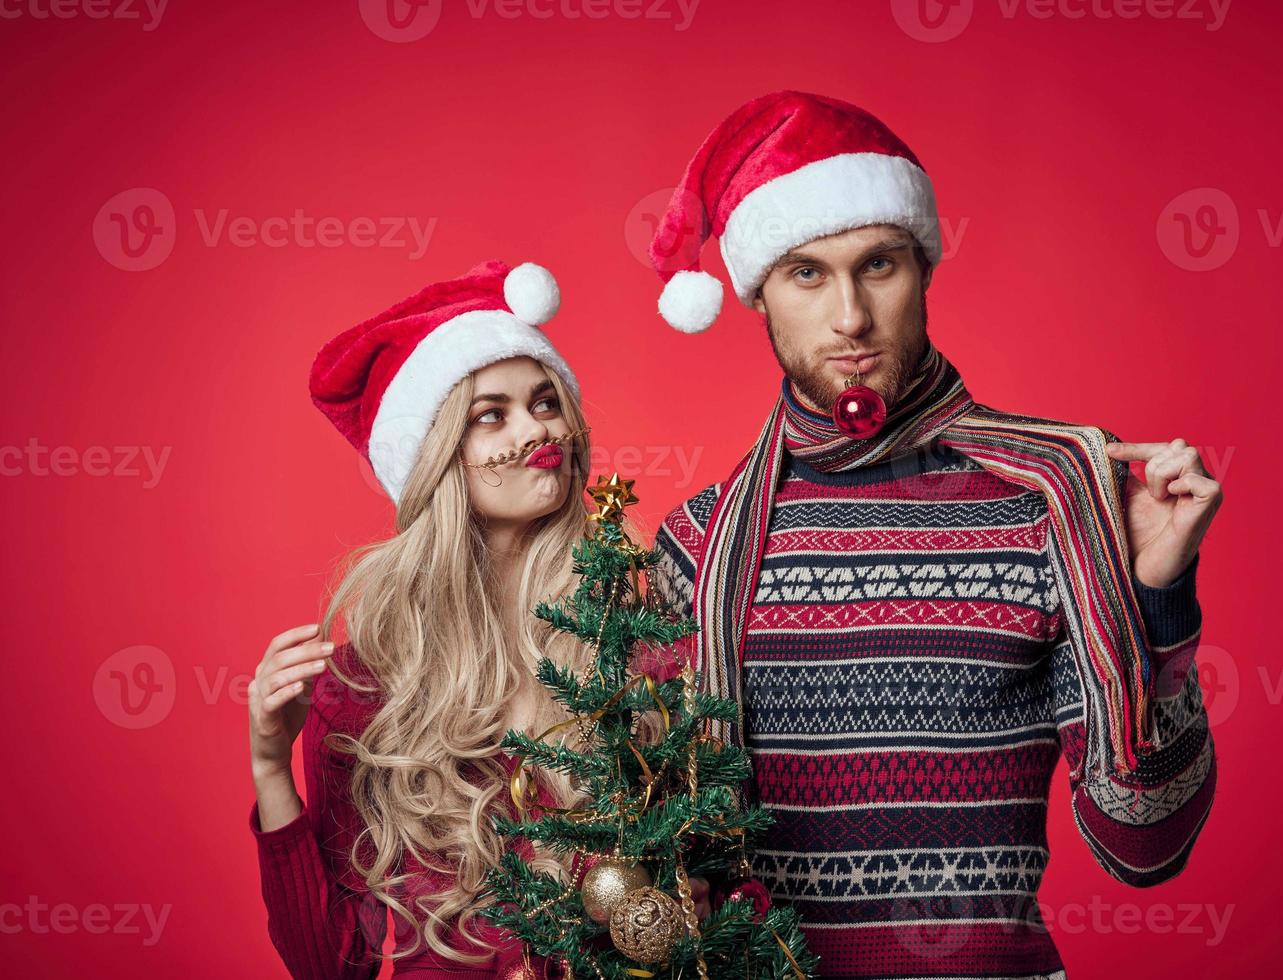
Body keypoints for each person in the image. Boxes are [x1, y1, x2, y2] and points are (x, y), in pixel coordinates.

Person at [645, 91, 1224, 978]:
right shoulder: (695, 545)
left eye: (877, 265)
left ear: (923, 269)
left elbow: (1145, 846)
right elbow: (651, 866)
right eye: (806, 273)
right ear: (758, 294)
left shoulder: (1055, 496)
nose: (849, 316)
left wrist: (1155, 597)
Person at [247, 259, 612, 978]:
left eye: (545, 401)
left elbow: (725, 885)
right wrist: (269, 769)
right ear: (438, 459)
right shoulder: (366, 689)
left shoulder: (630, 634)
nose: (536, 427)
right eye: (490, 415)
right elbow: (327, 965)